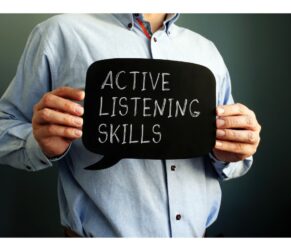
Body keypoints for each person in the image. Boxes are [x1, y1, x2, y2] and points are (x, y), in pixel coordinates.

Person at [0, 13, 261, 237]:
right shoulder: (59, 34)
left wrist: (232, 152)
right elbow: (4, 125)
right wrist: (39, 143)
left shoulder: (206, 51)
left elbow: (232, 153)